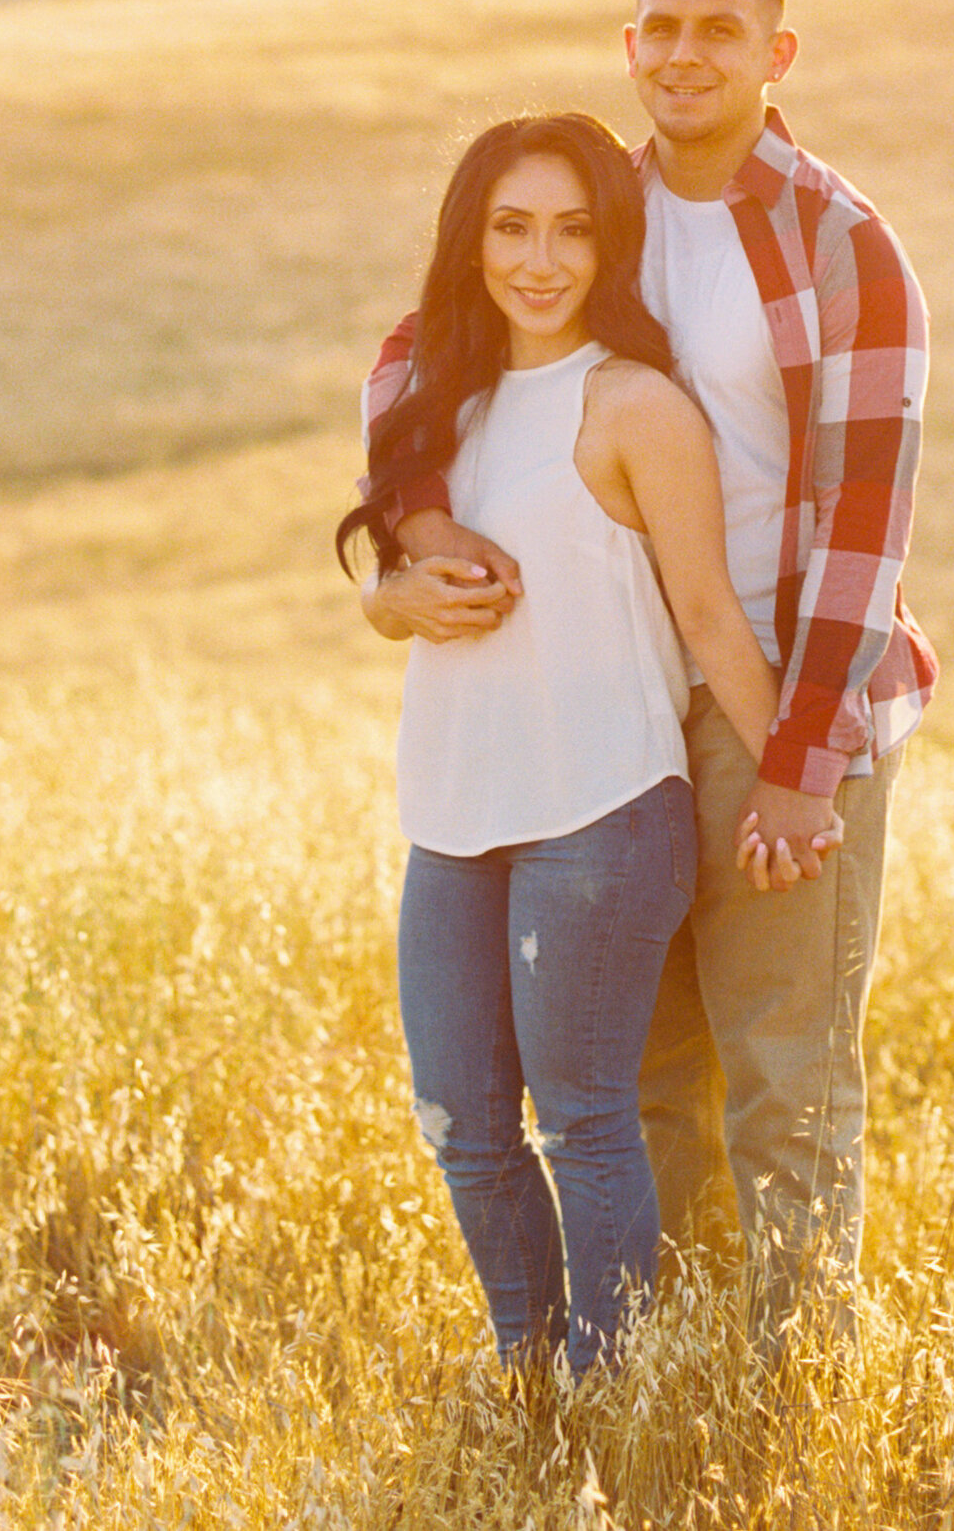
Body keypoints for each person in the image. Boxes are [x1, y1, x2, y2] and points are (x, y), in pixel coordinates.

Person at [362, 0, 934, 1341]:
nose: (684, 51)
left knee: (783, 1065)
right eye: (658, 26)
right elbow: (421, 352)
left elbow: (869, 518)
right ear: (629, 44)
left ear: (773, 56)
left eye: (718, 30)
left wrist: (804, 757)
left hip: (777, 701)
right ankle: (673, 1360)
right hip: (617, 703)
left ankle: (793, 1377)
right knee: (649, 1075)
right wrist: (416, 549)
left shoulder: (836, 238)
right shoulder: (594, 205)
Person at [339, 108, 804, 1375]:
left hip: (600, 809)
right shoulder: (431, 408)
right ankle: (531, 1381)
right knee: (461, 1128)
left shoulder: (634, 404)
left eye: (570, 230)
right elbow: (392, 595)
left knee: (584, 1123)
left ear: (610, 249)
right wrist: (389, 601)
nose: (538, 259)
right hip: (451, 809)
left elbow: (709, 614)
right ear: (469, 240)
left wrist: (788, 777)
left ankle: (615, 1396)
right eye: (510, 227)